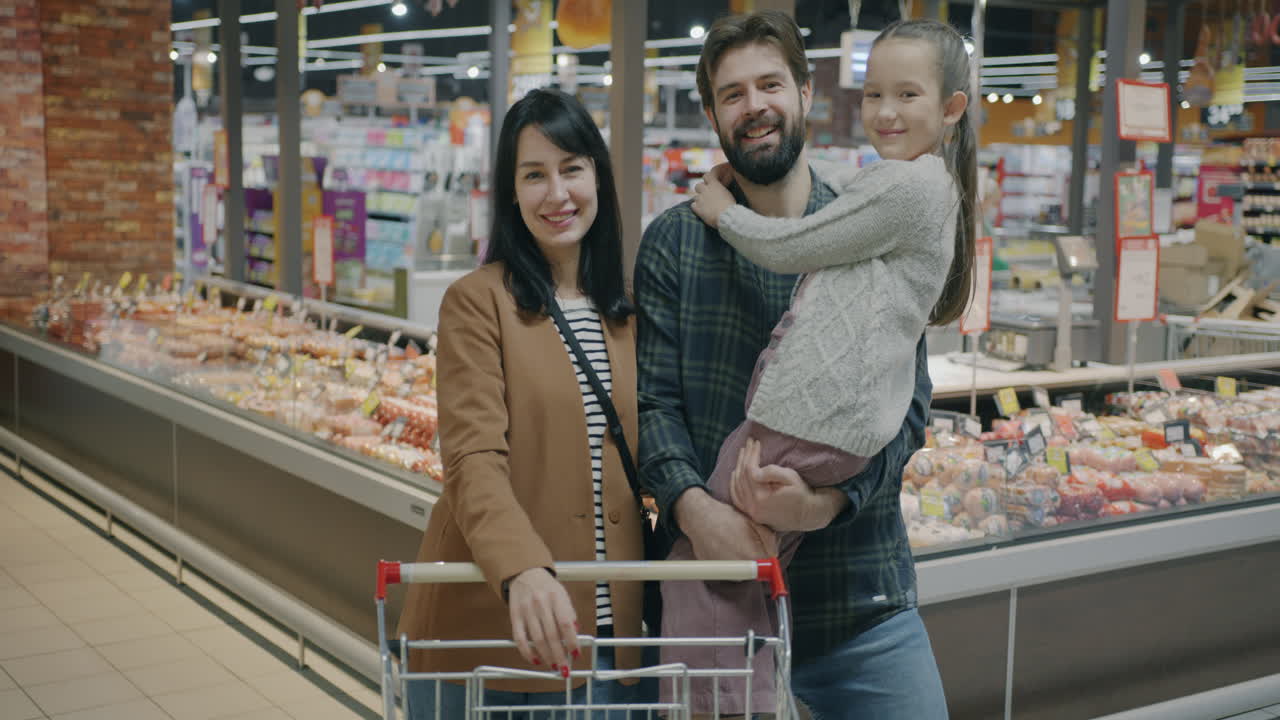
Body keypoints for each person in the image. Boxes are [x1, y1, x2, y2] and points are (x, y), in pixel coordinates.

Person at [636, 12, 972, 719]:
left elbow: (904, 414)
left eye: (769, 84)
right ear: (712, 114)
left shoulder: (865, 213)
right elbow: (652, 406)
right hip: (722, 589)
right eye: (732, 94)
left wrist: (820, 506)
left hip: (857, 600)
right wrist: (699, 514)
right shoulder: (673, 242)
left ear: (805, 93)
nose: (754, 105)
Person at [396, 88, 648, 719]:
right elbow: (473, 457)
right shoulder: (477, 301)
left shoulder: (626, 311)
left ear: (598, 176)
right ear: (511, 193)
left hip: (614, 641)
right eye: (533, 175)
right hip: (497, 629)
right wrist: (524, 569)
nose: (556, 194)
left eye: (571, 169)